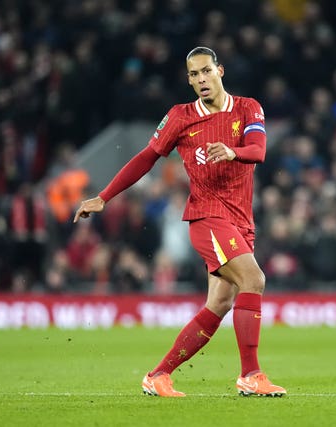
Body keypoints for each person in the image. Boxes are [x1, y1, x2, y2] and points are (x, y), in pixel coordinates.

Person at [73, 46, 286, 398]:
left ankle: (158, 375)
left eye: (205, 71)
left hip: (241, 220)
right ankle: (251, 375)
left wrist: (234, 151)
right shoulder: (180, 117)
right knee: (254, 278)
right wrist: (104, 196)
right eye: (193, 75)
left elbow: (258, 150)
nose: (200, 79)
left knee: (219, 303)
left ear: (220, 70)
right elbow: (145, 158)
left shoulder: (249, 107)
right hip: (206, 215)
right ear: (188, 79)